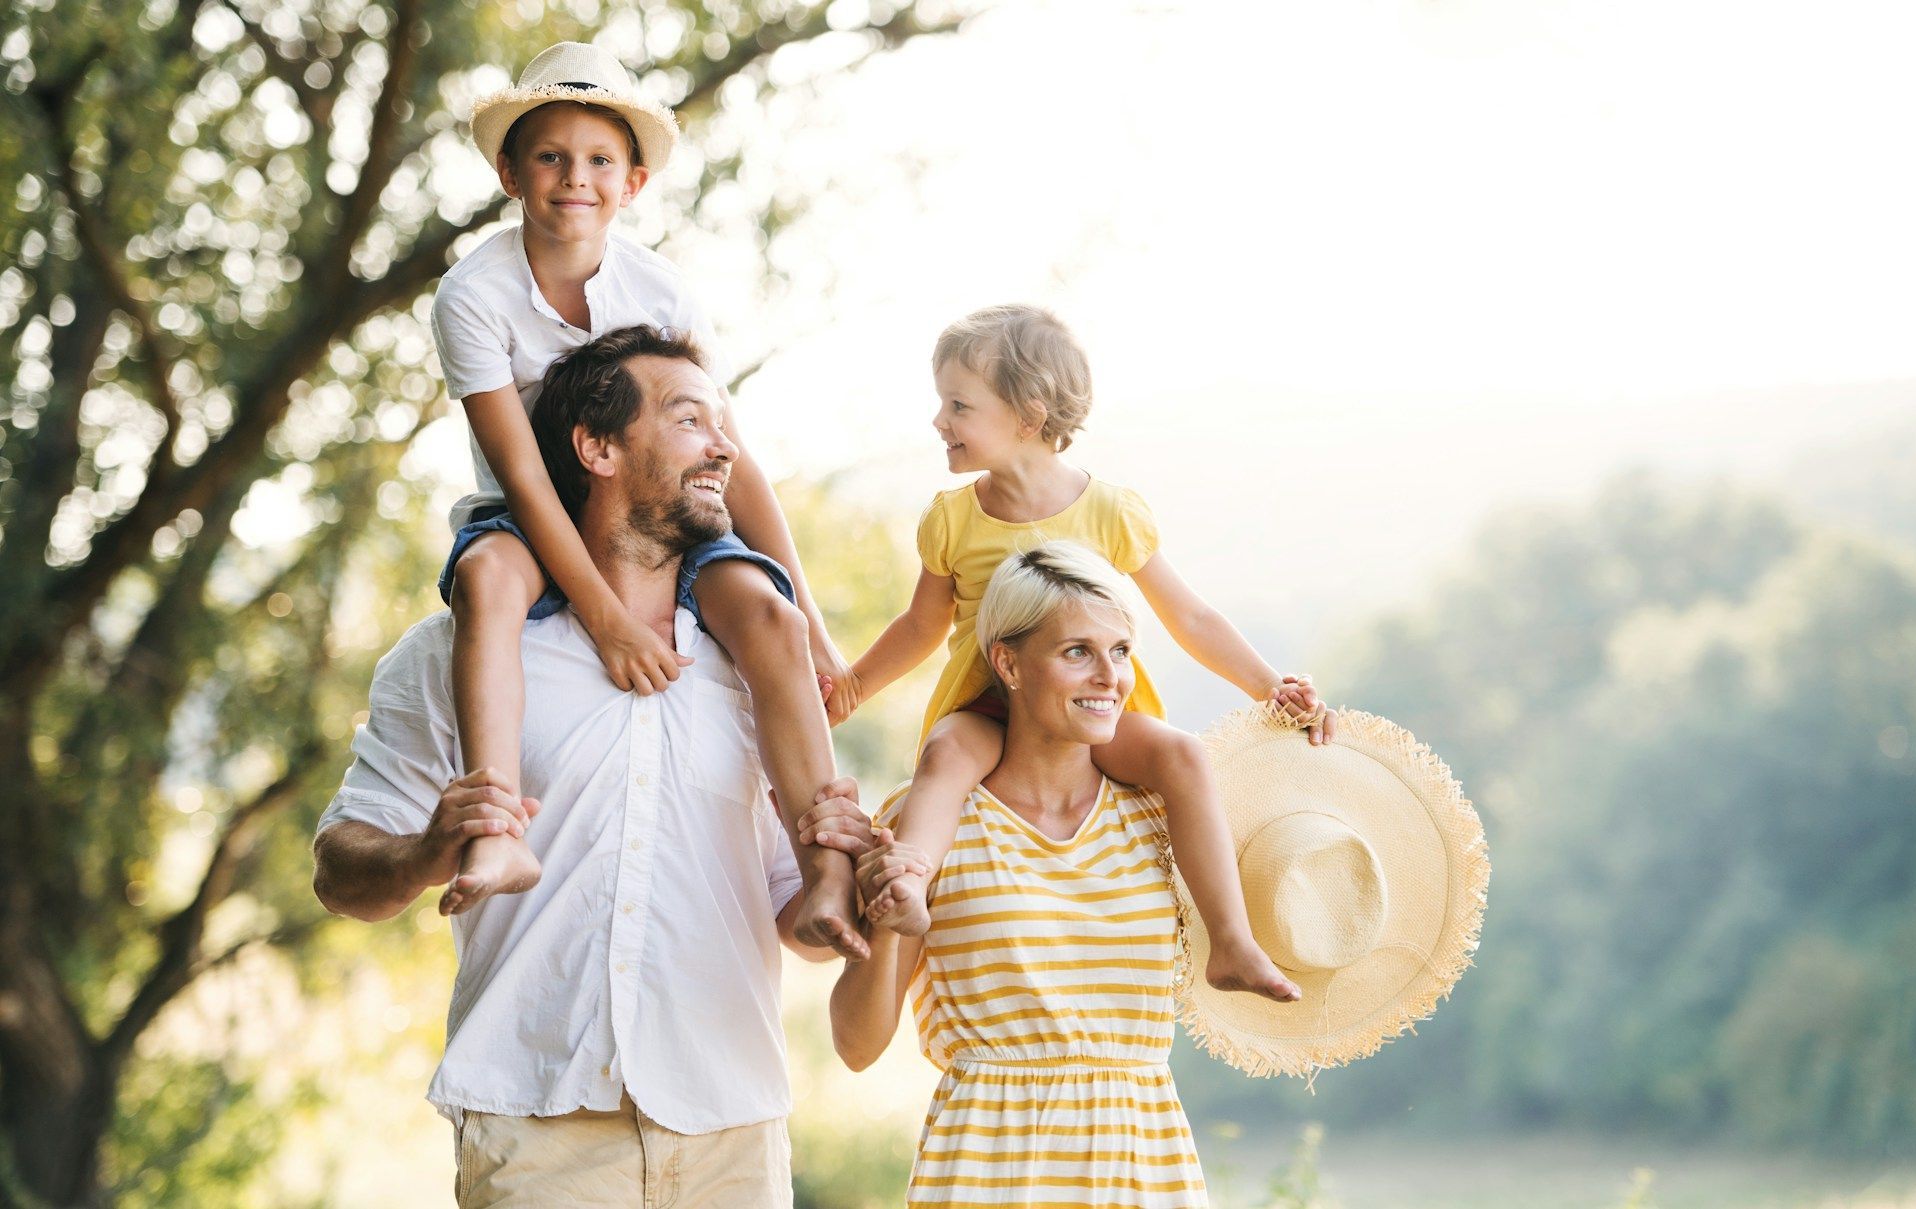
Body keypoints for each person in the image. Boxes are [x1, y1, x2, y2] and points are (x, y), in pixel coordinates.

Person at [314, 326, 875, 1207]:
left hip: (731, 1135)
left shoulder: (757, 663)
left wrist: (861, 893)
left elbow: (791, 917)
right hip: (534, 1130)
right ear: (597, 446)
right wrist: (426, 852)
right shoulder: (456, 654)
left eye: (722, 424)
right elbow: (339, 871)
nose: (725, 448)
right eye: (691, 421)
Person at [428, 41, 857, 954]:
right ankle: (498, 826)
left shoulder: (658, 288)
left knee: (765, 617)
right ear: (509, 172)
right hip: (536, 509)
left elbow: (724, 450)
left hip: (657, 501)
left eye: (598, 161)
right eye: (549, 156)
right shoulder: (473, 293)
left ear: (635, 182)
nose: (573, 179)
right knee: (490, 578)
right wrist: (607, 620)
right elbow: (525, 473)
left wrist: (810, 615)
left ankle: (824, 860)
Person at [828, 303, 1329, 1000]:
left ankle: (1232, 941)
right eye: (942, 403)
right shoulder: (954, 518)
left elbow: (1188, 614)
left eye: (959, 405)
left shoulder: (1107, 510)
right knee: (946, 756)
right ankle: (910, 882)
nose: (939, 421)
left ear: (1028, 417)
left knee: (1182, 755)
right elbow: (921, 626)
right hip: (988, 707)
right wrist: (852, 686)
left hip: (1089, 711)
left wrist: (1268, 685)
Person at [831, 541, 1211, 1205]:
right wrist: (891, 927)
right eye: (1077, 652)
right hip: (987, 1173)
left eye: (1120, 650)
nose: (1109, 676)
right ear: (1007, 661)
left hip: (1143, 1173)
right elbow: (857, 1046)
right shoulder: (929, 821)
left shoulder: (1158, 817)